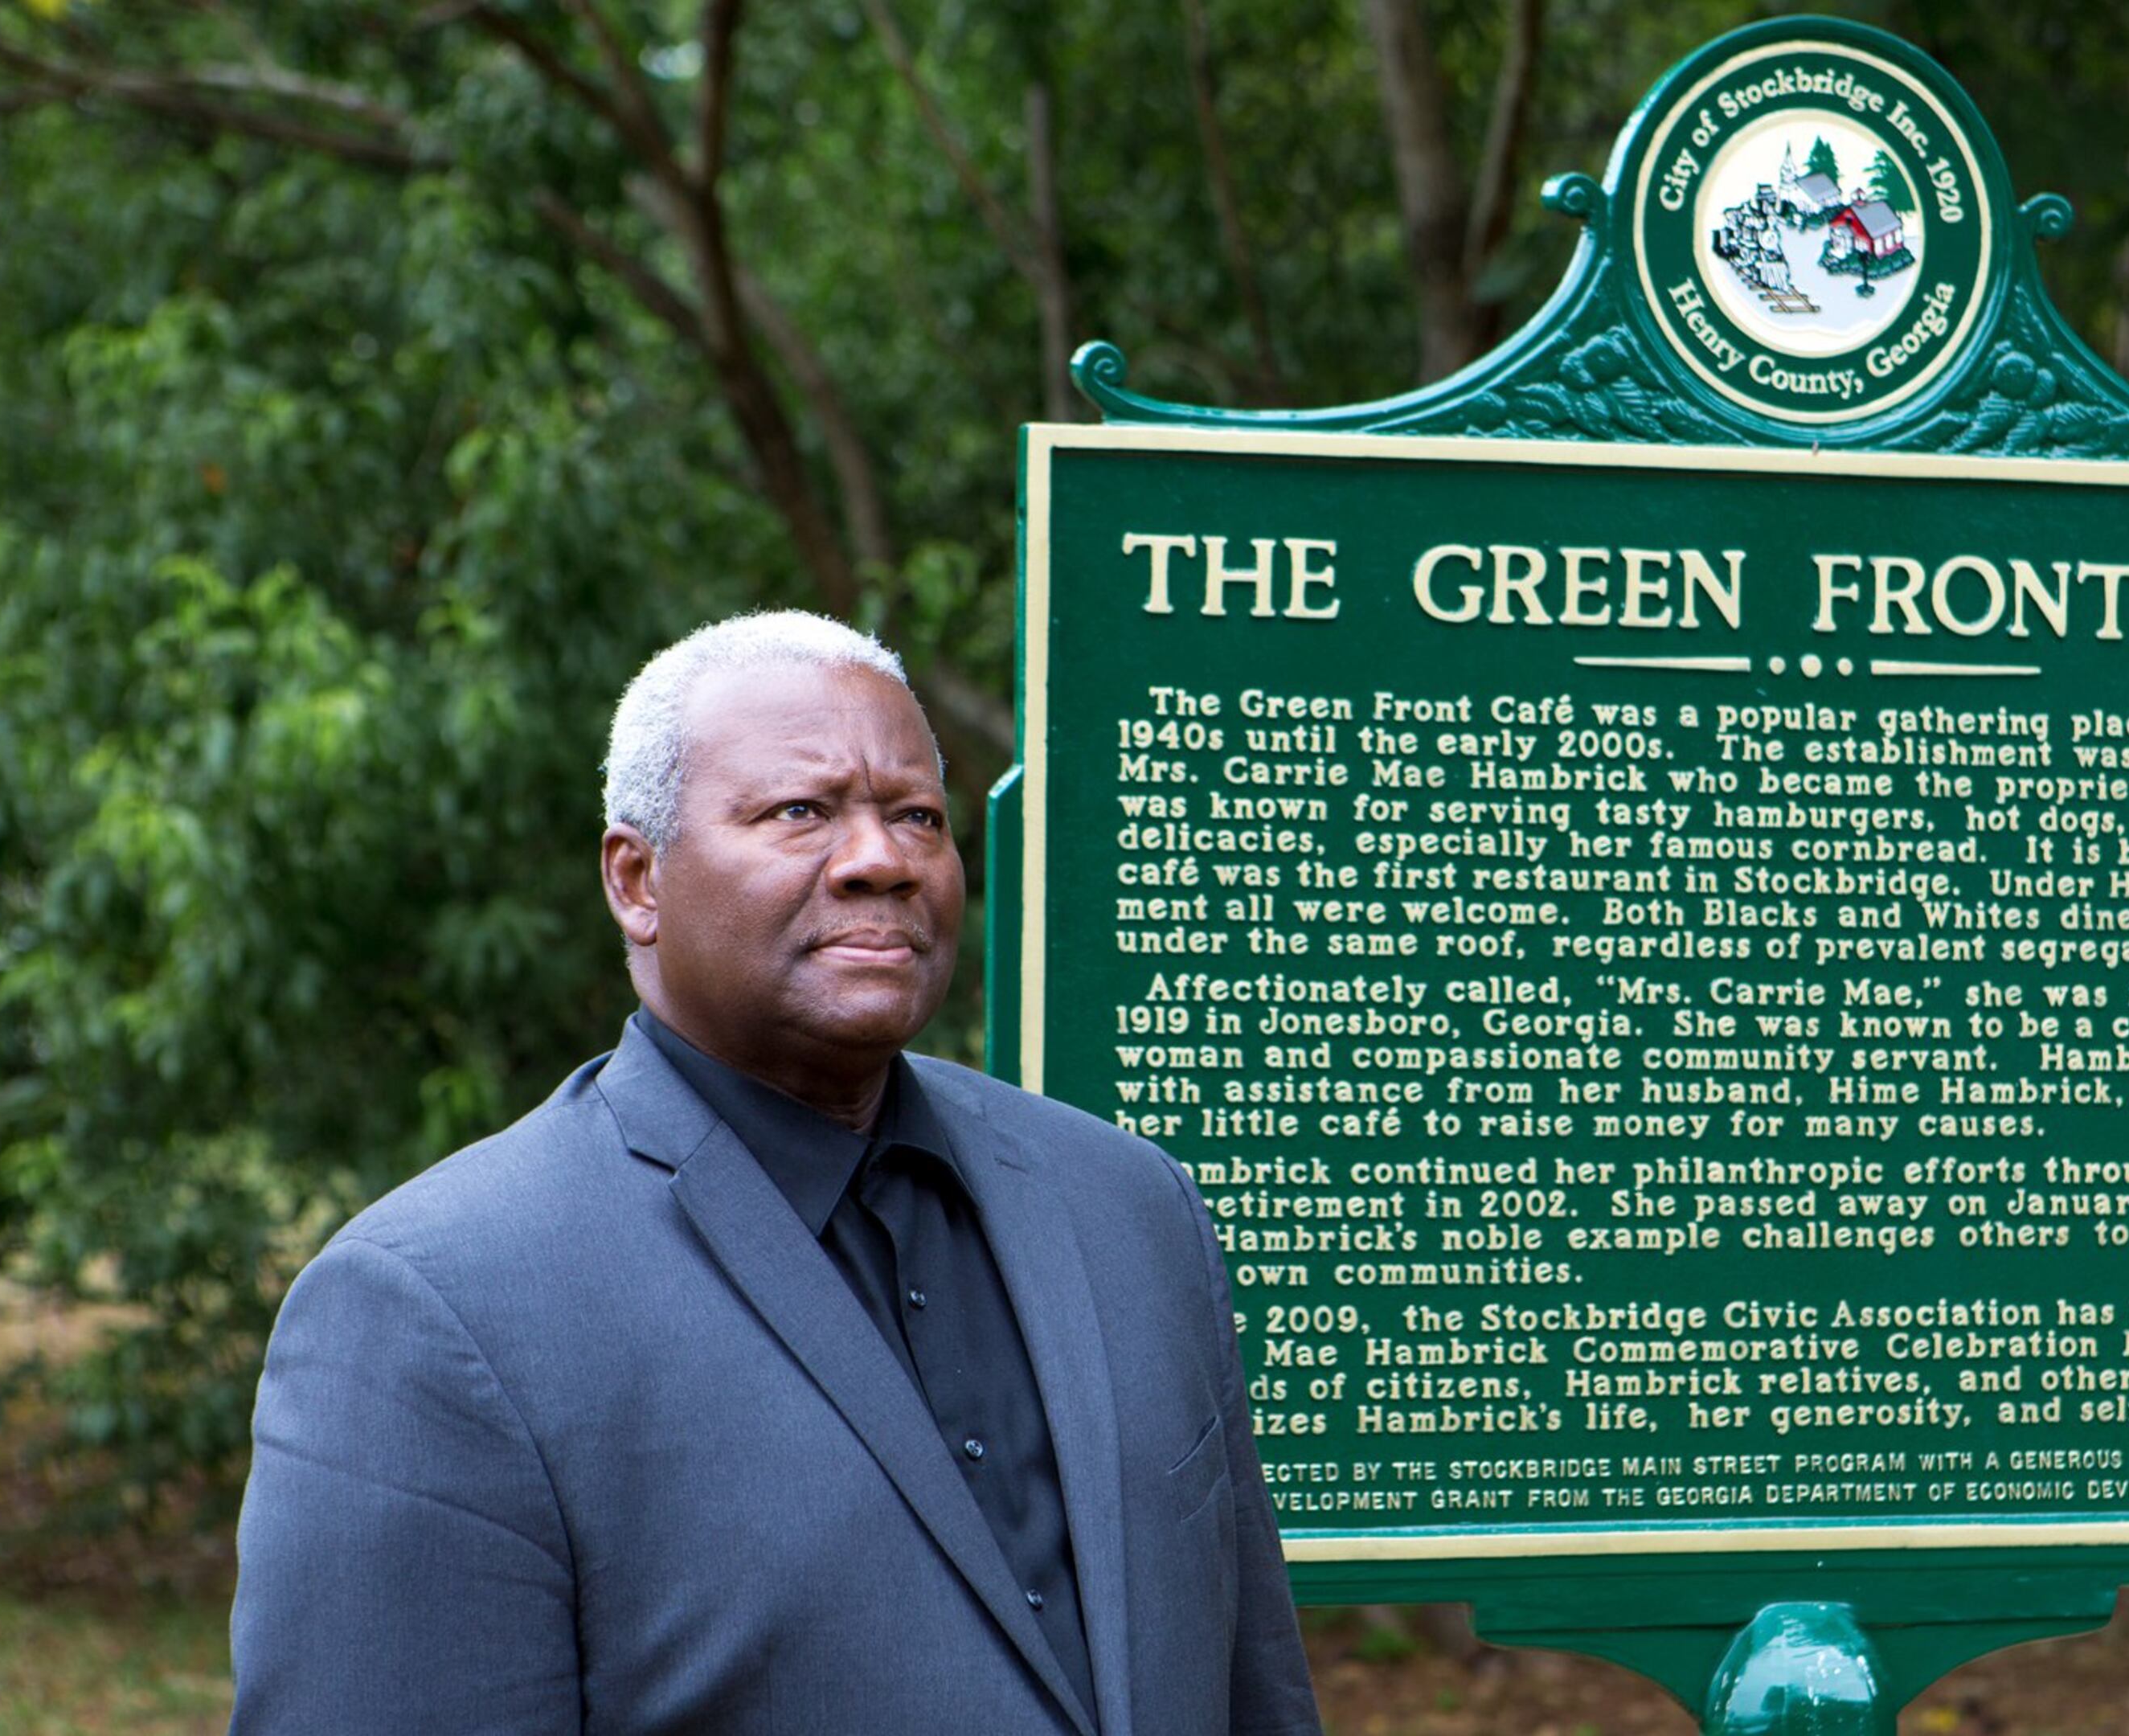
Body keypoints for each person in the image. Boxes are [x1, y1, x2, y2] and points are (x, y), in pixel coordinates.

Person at [228, 612, 1319, 1735]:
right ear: (636, 879)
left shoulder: (1129, 1207)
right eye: (800, 813)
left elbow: (1255, 1693)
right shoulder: (433, 1309)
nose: (881, 860)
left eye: (917, 817)